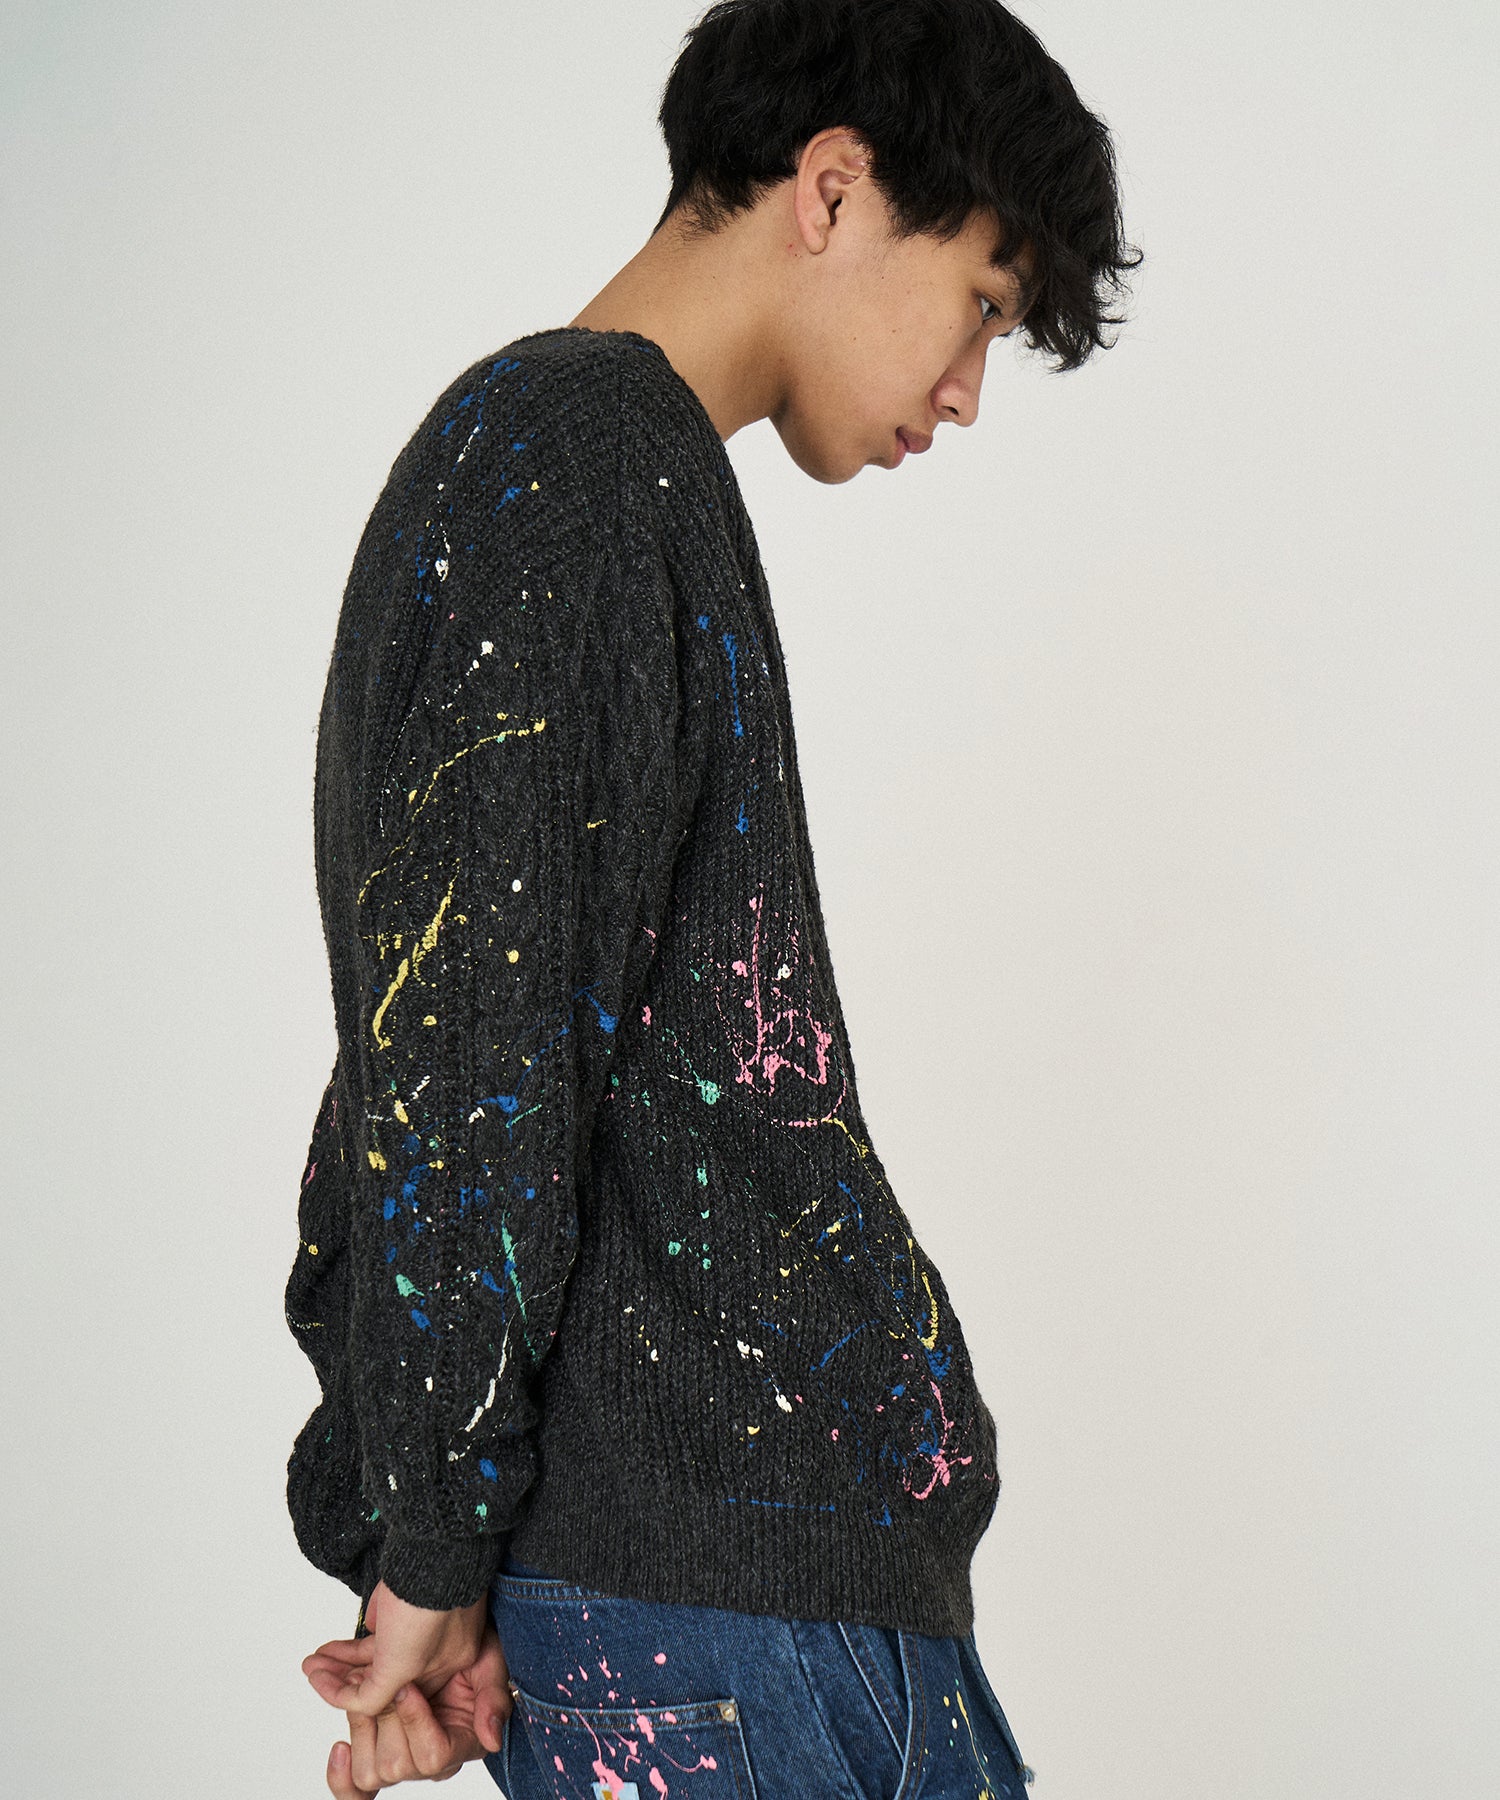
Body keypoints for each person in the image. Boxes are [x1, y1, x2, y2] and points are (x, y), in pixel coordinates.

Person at [287, 1, 1138, 1794]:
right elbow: (468, 1061)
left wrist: (441, 1545)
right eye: (983, 303)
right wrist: (431, 1550)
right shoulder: (580, 462)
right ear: (833, 187)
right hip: (725, 1625)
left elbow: (469, 1023)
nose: (969, 390)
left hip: (720, 1614)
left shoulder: (582, 465)